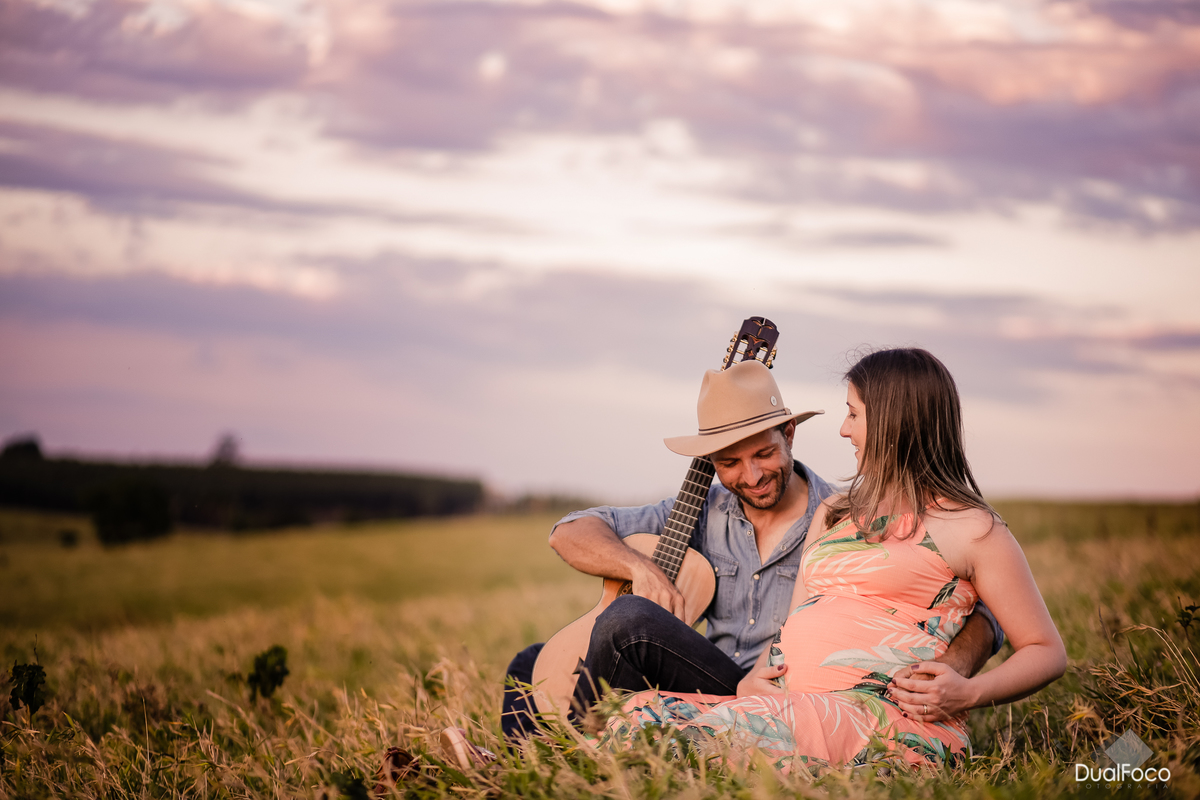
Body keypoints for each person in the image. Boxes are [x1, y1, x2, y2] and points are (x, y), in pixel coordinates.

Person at [596, 348, 1067, 772]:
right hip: (792, 702)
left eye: (853, 413)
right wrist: (755, 678)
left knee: (677, 739)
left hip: (876, 713)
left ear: (894, 421)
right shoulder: (836, 511)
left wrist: (968, 691)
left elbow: (1045, 649)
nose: (844, 429)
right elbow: (796, 621)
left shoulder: (973, 530)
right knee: (633, 716)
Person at [500, 358, 1001, 741]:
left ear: (789, 433)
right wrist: (638, 566)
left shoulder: (841, 517)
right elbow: (570, 530)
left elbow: (979, 603)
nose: (753, 475)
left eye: (764, 453)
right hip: (707, 674)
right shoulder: (699, 509)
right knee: (531, 665)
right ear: (711, 462)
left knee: (628, 620)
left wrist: (954, 668)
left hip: (777, 688)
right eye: (730, 463)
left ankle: (568, 756)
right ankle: (524, 761)